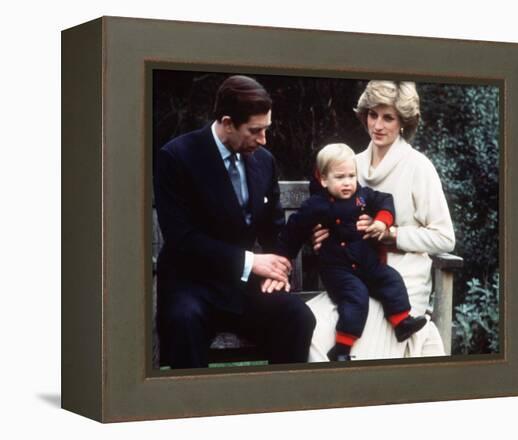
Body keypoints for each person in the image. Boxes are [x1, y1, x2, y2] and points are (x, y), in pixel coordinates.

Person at [154, 75, 316, 369]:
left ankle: (278, 406)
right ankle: (190, 412)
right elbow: (182, 238)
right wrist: (251, 262)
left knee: (298, 316)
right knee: (184, 323)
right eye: (255, 131)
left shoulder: (263, 161)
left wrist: (276, 267)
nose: (264, 139)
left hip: (242, 288)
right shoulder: (176, 157)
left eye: (266, 129)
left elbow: (275, 227)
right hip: (191, 284)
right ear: (227, 122)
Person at [308, 80, 455, 360]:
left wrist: (392, 234)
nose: (378, 125)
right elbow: (328, 213)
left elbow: (445, 237)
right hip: (354, 275)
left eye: (388, 118)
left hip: (401, 281)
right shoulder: (352, 165)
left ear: (403, 122)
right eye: (372, 115)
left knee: (360, 342)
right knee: (312, 325)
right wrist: (321, 234)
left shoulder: (418, 167)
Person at [275, 143, 427, 361]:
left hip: (367, 263)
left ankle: (402, 322)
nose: (347, 182)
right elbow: (293, 232)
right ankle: (342, 349)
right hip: (339, 271)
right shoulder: (316, 205)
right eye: (339, 177)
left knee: (390, 278)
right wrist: (281, 261)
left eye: (351, 176)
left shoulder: (362, 197)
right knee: (357, 296)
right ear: (324, 180)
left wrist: (382, 223)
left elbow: (385, 200)